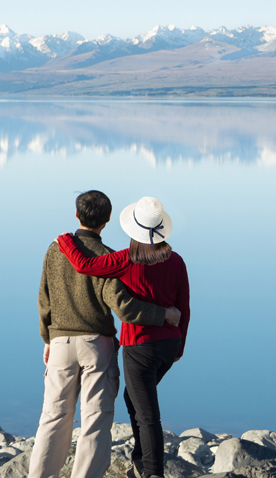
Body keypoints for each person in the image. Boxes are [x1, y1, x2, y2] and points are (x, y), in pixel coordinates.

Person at [32, 190, 184, 478]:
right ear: (108, 220)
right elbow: (124, 307)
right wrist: (163, 316)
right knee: (95, 420)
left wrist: (47, 338)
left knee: (53, 417)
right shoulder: (109, 257)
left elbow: (44, 299)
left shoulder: (55, 251)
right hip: (97, 346)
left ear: (77, 215)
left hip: (60, 342)